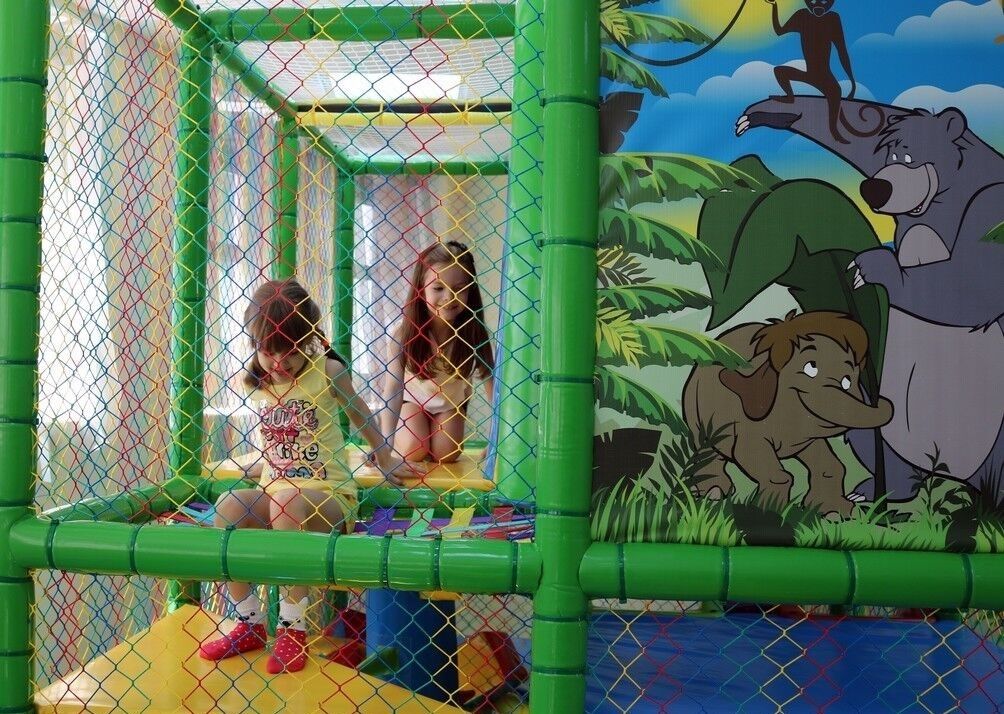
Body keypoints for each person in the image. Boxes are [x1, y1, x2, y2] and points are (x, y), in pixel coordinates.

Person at [199, 278, 408, 674]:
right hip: (275, 491)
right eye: (269, 350)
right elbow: (282, 435)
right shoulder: (256, 381)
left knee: (287, 502)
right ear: (254, 343)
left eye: (290, 349)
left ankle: (293, 627)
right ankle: (249, 621)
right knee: (229, 504)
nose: (280, 361)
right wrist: (263, 463)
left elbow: (360, 413)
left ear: (309, 339)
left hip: (327, 498)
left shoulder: (327, 370)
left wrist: (384, 457)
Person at [381, 241, 494, 464]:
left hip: (449, 405)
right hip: (411, 403)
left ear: (470, 290)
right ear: (420, 289)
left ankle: (432, 434)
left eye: (459, 288)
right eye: (438, 288)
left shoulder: (473, 332)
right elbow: (393, 388)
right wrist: (385, 442)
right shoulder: (403, 334)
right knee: (415, 448)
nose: (449, 297)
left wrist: (497, 437)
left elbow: (491, 380)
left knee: (446, 455)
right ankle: (397, 431)